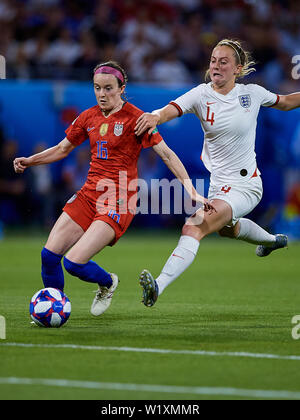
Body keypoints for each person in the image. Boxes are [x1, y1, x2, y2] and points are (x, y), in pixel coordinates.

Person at [13, 61, 215, 317]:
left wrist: (192, 191)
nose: (102, 94)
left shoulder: (137, 119)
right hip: (88, 194)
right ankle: (56, 309)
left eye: (108, 88)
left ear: (122, 88)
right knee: (49, 256)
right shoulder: (88, 117)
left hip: (118, 199)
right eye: (97, 88)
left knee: (74, 263)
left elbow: (166, 154)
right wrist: (30, 161)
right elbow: (62, 148)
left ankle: (107, 282)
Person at [135, 38, 300, 307]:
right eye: (213, 60)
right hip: (218, 187)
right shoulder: (201, 95)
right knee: (227, 230)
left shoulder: (252, 94)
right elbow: (172, 108)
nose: (216, 66)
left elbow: (284, 102)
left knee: (194, 225)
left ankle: (158, 285)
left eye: (224, 62)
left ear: (238, 68)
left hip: (246, 185)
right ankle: (271, 240)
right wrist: (154, 116)